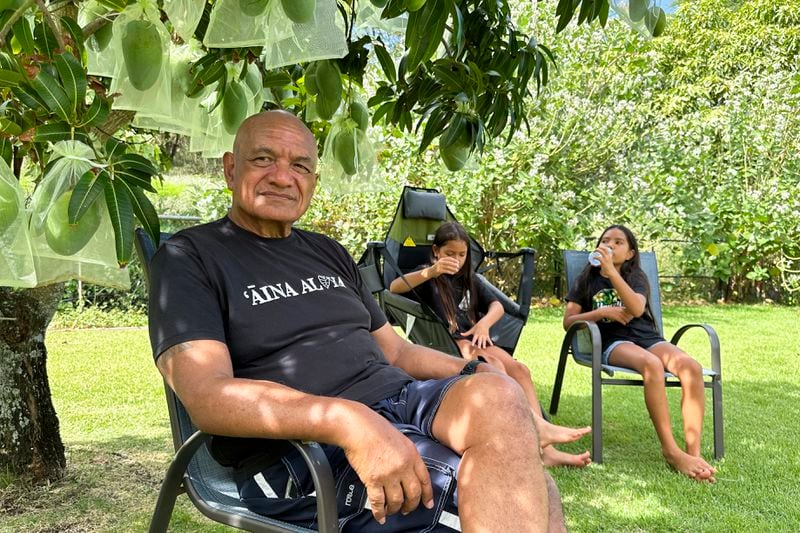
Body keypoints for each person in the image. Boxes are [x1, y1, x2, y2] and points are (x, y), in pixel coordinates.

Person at [148, 110, 566, 532]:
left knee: (502, 408)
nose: (281, 176)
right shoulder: (191, 257)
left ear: (312, 180)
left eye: (300, 165)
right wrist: (348, 421)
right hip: (303, 452)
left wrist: (484, 373)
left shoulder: (327, 251)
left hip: (401, 403)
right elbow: (207, 395)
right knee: (526, 491)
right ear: (230, 168)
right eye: (263, 159)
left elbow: (397, 351)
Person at [389, 221, 591, 468]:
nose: (456, 259)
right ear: (436, 251)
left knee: (520, 370)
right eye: (449, 253)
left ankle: (545, 449)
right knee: (494, 365)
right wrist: (432, 271)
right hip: (449, 343)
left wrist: (484, 324)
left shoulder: (469, 280)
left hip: (476, 338)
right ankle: (531, 431)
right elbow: (394, 288)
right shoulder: (428, 276)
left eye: (462, 254)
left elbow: (497, 306)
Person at [562, 224, 717, 482]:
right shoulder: (586, 279)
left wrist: (612, 273)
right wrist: (601, 313)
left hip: (648, 337)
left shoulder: (637, 277)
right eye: (605, 240)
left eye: (618, 242)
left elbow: (635, 308)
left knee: (691, 367)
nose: (610, 245)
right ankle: (670, 450)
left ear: (631, 253)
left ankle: (693, 453)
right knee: (651, 365)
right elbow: (569, 321)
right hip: (613, 341)